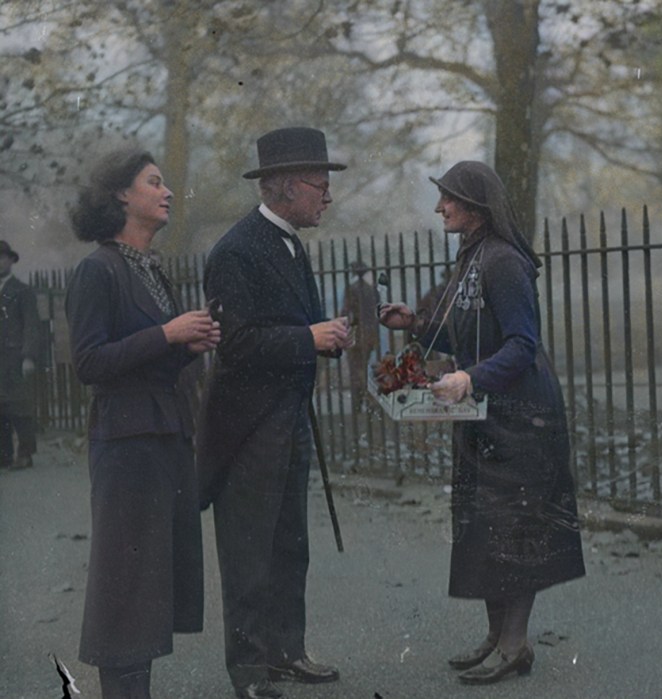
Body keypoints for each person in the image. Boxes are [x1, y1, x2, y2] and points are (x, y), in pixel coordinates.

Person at [379, 161, 585, 685]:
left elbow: (521, 345)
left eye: (448, 199)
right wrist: (416, 324)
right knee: (486, 531)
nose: (439, 208)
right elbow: (466, 332)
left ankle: (515, 646)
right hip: (486, 417)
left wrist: (469, 379)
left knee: (515, 533)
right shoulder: (471, 257)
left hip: (521, 419)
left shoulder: (504, 263)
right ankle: (497, 639)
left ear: (475, 207)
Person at [195, 127, 352, 699]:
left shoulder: (289, 241)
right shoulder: (236, 251)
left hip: (287, 417)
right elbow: (234, 346)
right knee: (250, 549)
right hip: (248, 426)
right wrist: (307, 337)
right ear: (284, 187)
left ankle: (288, 653)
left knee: (289, 543)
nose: (327, 196)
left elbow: (284, 333)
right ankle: (251, 672)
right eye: (320, 184)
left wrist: (321, 340)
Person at [65, 147, 221, 699]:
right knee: (126, 582)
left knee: (152, 576)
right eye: (154, 182)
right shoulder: (97, 269)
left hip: (163, 435)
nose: (168, 192)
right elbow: (89, 364)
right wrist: (169, 335)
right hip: (126, 443)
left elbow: (152, 357)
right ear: (122, 196)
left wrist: (188, 345)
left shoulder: (149, 268)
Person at [0, 240, 41, 470]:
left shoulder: (22, 291)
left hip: (15, 359)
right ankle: (3, 455)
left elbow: (31, 326)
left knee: (20, 408)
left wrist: (28, 357)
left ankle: (25, 454)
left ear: (10, 261)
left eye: (2, 258)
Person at [339, 259, 380, 408]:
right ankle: (364, 399)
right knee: (361, 367)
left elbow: (345, 312)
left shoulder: (352, 289)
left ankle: (366, 399)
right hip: (371, 334)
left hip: (357, 334)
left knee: (356, 369)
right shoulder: (372, 289)